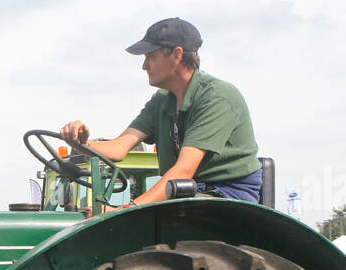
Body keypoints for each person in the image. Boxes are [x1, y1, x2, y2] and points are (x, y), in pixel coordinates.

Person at [60, 17, 262, 210]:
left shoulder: (217, 97)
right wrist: (81, 143)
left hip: (227, 195)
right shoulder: (163, 100)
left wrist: (127, 209)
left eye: (151, 57)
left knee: (153, 220)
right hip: (185, 191)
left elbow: (183, 171)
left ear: (177, 54)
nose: (144, 66)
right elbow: (119, 148)